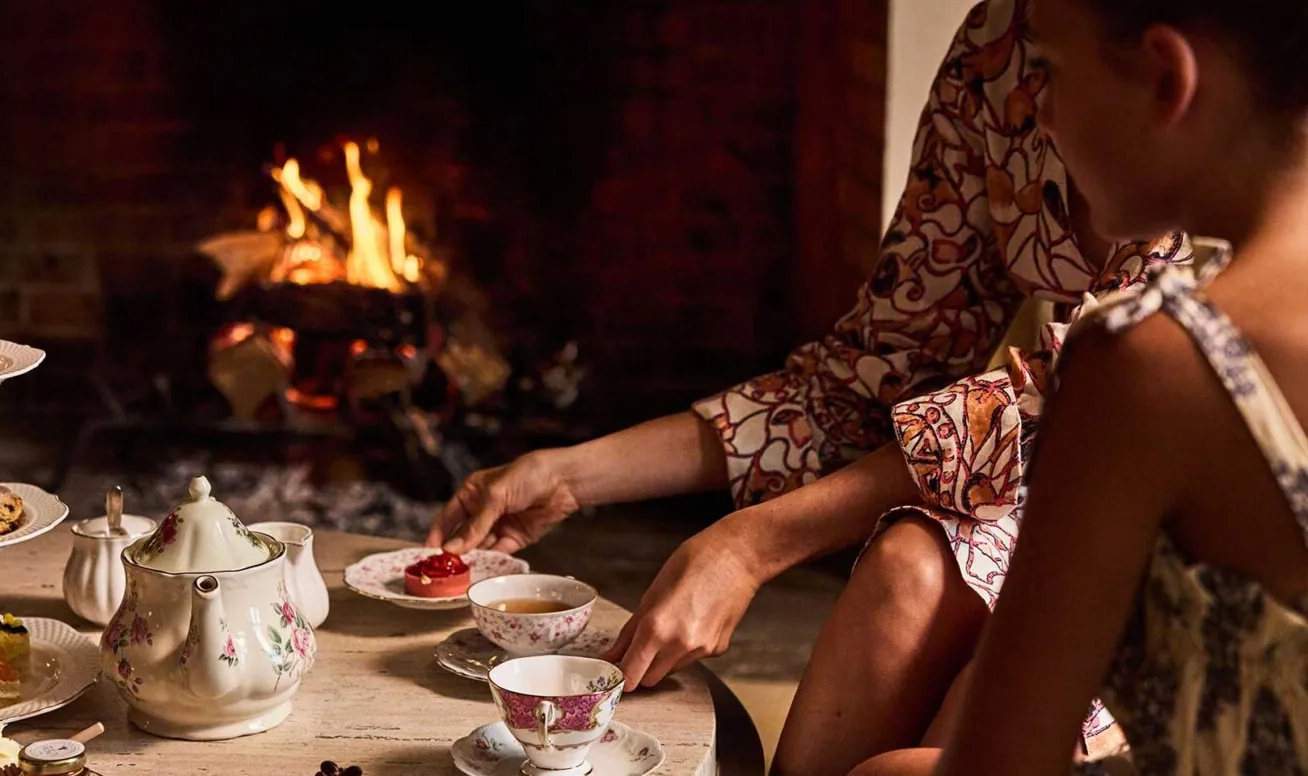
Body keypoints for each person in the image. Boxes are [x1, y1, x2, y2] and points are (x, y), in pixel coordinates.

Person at [426, 1, 1192, 772]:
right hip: (1069, 489)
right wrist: (571, 473)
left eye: (1055, 69)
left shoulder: (1243, 140)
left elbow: (1067, 413)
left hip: (1184, 523)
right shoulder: (1002, 45)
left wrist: (752, 544)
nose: (1039, 102)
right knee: (906, 568)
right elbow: (871, 371)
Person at [844, 0, 1308, 775]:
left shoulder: (1151, 363)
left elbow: (1000, 762)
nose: (1042, 117)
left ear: (1166, 78)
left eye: (1051, 70)